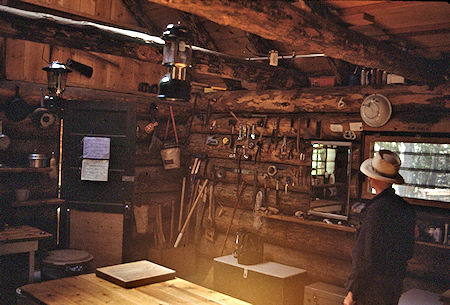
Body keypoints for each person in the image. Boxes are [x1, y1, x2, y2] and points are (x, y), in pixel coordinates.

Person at [344, 150, 416, 305]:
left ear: (373, 179)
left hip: (371, 290)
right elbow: (408, 251)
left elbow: (368, 258)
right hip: (392, 287)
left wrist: (353, 292)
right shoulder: (405, 209)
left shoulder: (376, 210)